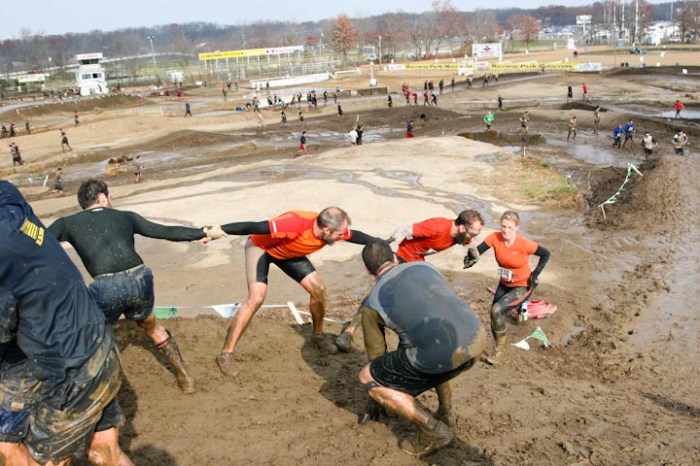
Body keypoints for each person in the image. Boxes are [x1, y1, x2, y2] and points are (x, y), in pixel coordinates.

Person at [0, 181, 134, 466]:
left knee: (33, 457)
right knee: (104, 450)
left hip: (67, 371)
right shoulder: (8, 196)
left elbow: (3, 324)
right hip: (98, 343)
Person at [47, 179, 218, 393]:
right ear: (102, 197)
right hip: (140, 279)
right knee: (152, 327)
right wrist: (201, 233)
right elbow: (163, 231)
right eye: (110, 196)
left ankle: (95, 390)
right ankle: (185, 377)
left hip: (106, 286)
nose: (112, 200)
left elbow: (37, 243)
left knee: (92, 336)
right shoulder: (125, 216)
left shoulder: (66, 223)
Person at [211, 208, 380, 376]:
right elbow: (254, 226)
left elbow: (356, 235)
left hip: (289, 253)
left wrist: (381, 243)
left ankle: (317, 336)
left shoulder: (331, 228)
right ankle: (226, 354)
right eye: (339, 234)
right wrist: (219, 230)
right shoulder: (294, 224)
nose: (342, 236)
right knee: (257, 297)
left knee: (319, 289)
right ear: (326, 230)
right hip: (261, 248)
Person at [356, 240, 486, 458]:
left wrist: (377, 397)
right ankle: (446, 412)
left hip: (441, 352)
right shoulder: (424, 266)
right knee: (432, 348)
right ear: (395, 258)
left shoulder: (372, 301)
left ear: (368, 271)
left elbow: (376, 355)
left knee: (368, 377)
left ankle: (433, 430)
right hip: (476, 338)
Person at [336, 210, 484, 352]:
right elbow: (405, 229)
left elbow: (468, 242)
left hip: (416, 261)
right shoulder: (437, 227)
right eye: (473, 234)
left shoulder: (461, 234)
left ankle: (411, 340)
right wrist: (388, 253)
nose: (473, 238)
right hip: (400, 256)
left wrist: (474, 253)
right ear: (462, 227)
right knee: (378, 292)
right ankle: (349, 332)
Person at [465, 211, 550, 365]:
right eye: (503, 226)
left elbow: (545, 254)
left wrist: (535, 274)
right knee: (494, 314)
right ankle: (511, 327)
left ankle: (500, 353)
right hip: (504, 284)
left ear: (517, 228)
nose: (506, 230)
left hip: (523, 286)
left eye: (510, 228)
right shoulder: (495, 237)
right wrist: (472, 256)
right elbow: (479, 250)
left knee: (497, 310)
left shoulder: (524, 243)